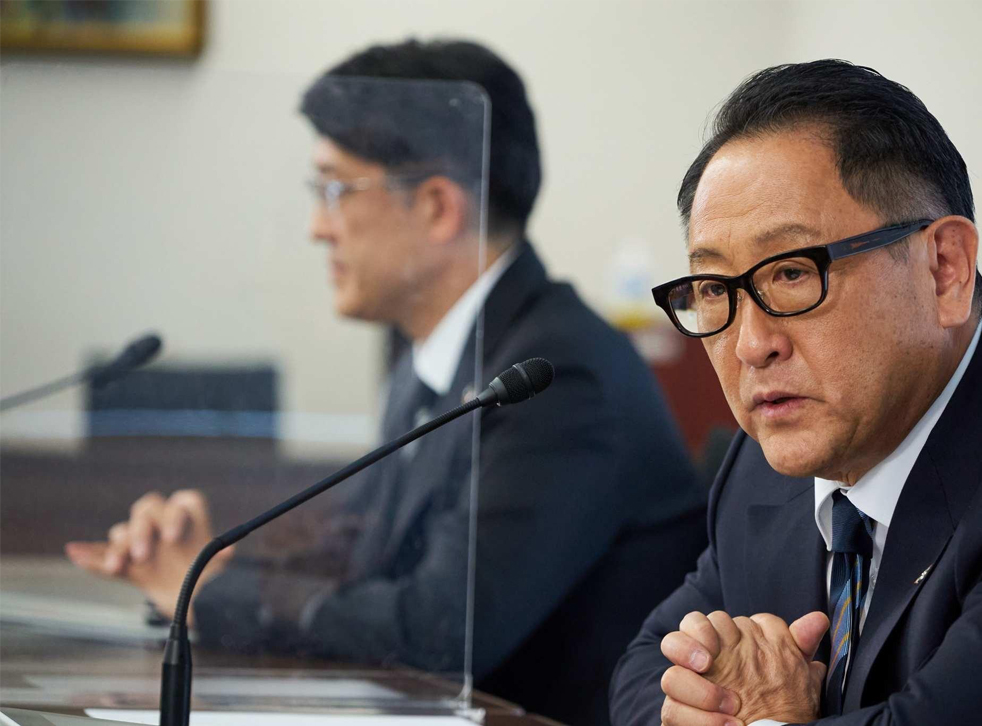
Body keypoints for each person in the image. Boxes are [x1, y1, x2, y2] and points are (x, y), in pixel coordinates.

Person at [65, 39, 707, 726]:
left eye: (334, 190)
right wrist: (202, 563)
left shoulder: (558, 376)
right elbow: (361, 558)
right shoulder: (431, 360)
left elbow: (438, 630)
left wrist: (212, 594)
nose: (317, 228)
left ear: (436, 206)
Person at [609, 59, 982, 725]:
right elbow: (646, 668)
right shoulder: (767, 457)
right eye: (715, 288)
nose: (751, 345)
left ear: (944, 269)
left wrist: (767, 718)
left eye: (792, 273)